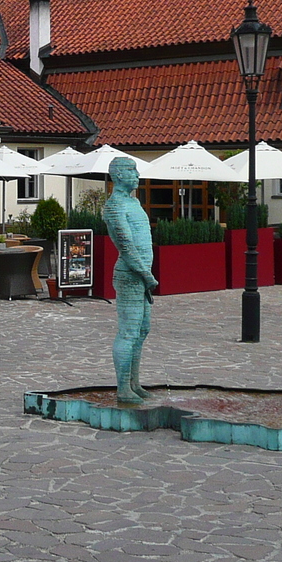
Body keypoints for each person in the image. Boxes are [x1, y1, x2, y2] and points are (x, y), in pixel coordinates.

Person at [103, 156, 157, 404]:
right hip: (130, 275)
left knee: (142, 330)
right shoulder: (114, 206)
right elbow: (126, 246)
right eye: (132, 170)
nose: (137, 175)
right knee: (128, 331)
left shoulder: (133, 202)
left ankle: (135, 382)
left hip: (142, 277)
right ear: (119, 175)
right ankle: (123, 387)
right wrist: (146, 275)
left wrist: (147, 275)